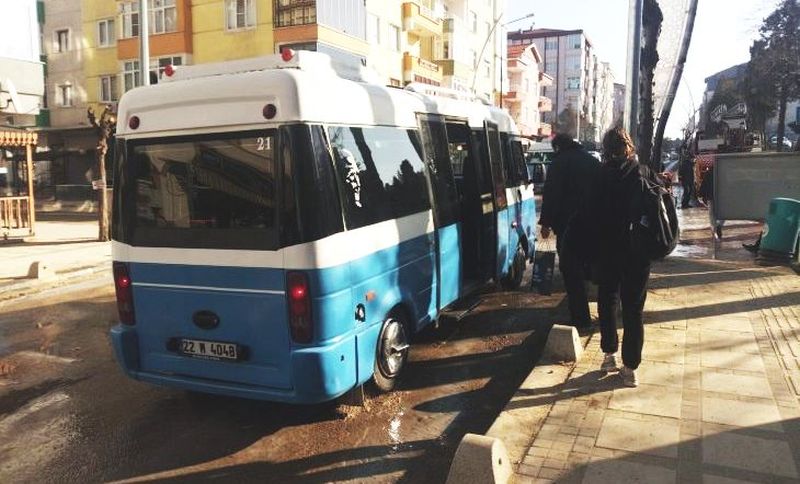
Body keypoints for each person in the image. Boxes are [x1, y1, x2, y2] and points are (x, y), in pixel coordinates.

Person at [595, 127, 655, 387]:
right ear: (629, 147)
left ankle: (609, 355)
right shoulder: (643, 174)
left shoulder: (598, 176)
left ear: (606, 149)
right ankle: (630, 368)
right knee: (633, 309)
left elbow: (588, 214)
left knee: (607, 301)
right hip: (637, 252)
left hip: (607, 249)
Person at [539, 133, 600, 329]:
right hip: (592, 225)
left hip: (568, 227)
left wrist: (546, 223)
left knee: (571, 272)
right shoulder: (592, 161)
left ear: (558, 147)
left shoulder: (558, 164)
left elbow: (551, 195)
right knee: (587, 267)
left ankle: (580, 318)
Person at [697, 165, 723, 239]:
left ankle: (714, 229)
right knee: (724, 213)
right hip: (721, 196)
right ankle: (719, 225)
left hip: (710, 195)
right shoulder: (722, 173)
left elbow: (704, 184)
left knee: (712, 213)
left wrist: (700, 194)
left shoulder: (708, 173)